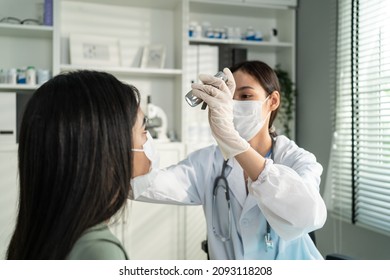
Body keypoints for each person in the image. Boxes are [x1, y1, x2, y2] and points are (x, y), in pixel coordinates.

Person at [131, 60, 327, 259]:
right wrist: (133, 128)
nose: (233, 106)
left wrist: (232, 141)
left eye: (245, 96)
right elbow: (143, 184)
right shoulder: (208, 162)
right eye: (229, 98)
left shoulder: (298, 159)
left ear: (273, 101)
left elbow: (307, 215)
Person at [7, 70, 152, 260]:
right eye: (144, 130)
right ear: (107, 149)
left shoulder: (37, 234)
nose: (148, 141)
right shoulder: (100, 253)